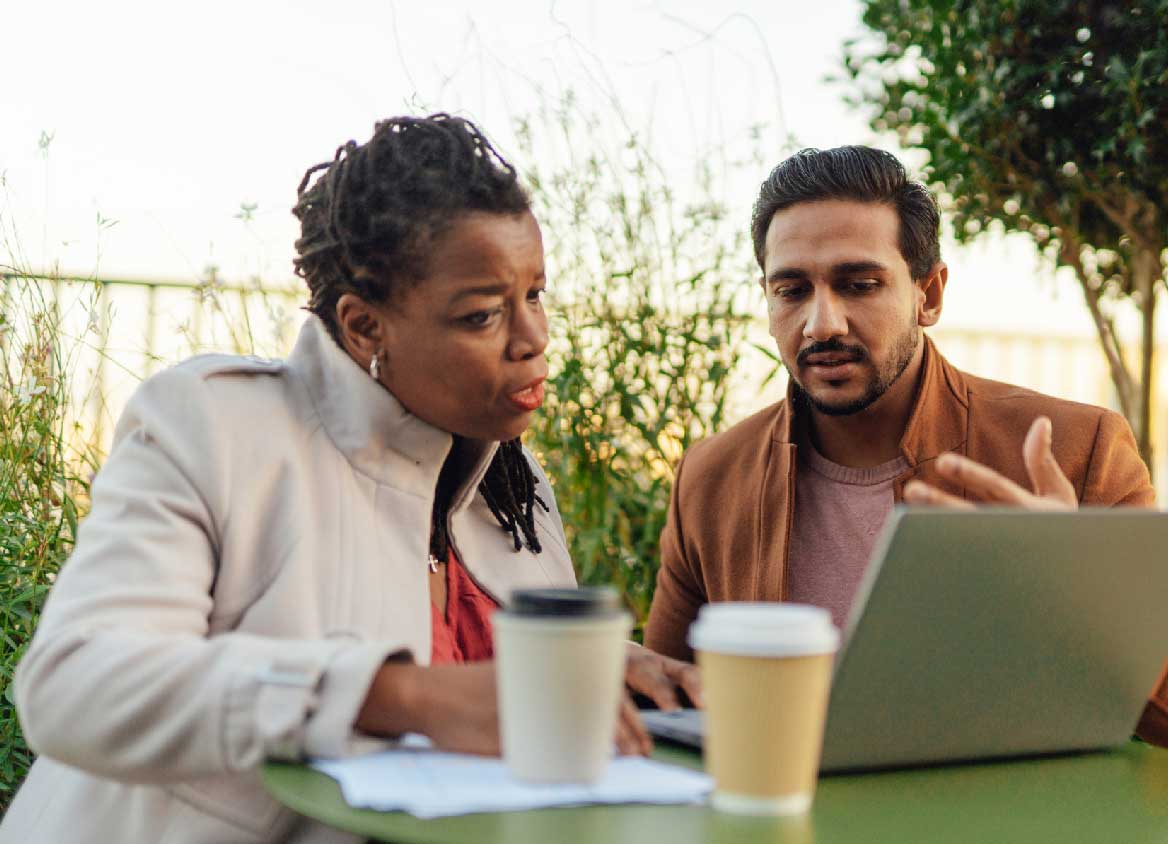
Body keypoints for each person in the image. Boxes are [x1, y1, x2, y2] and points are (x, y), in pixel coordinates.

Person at [1, 114, 697, 844]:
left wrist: (609, 673)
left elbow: (466, 662)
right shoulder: (212, 426)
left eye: (536, 295)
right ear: (365, 328)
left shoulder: (513, 490)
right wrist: (395, 694)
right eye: (484, 314)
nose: (534, 339)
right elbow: (74, 685)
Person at [643, 146, 1168, 757]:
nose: (822, 323)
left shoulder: (1069, 450)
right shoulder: (713, 476)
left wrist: (1080, 582)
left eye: (859, 285)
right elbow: (665, 709)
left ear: (928, 294)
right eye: (792, 290)